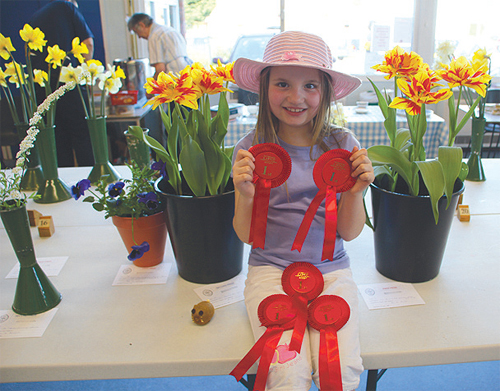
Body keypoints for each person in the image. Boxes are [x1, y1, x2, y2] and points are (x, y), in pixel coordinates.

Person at [231, 31, 374, 391]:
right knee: (286, 371)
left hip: (332, 271)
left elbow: (350, 232)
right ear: (265, 88)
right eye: (283, 84)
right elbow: (247, 237)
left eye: (310, 85)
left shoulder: (343, 145)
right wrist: (244, 194)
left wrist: (356, 192)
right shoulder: (250, 150)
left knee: (340, 369)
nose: (297, 97)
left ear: (325, 92)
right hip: (269, 270)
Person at [29, 0, 95, 167]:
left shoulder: (35, 17)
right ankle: (92, 185)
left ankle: (63, 186)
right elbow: (88, 43)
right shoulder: (68, 7)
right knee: (83, 138)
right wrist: (87, 74)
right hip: (68, 84)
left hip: (43, 88)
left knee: (57, 141)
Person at [127, 13, 192, 79]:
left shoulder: (154, 36)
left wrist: (151, 85)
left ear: (142, 25)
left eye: (136, 32)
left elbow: (160, 70)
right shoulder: (169, 30)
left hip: (174, 79)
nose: (139, 36)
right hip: (187, 75)